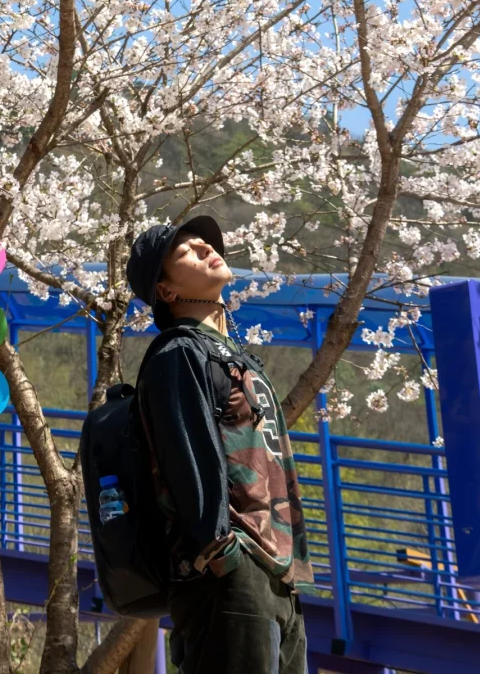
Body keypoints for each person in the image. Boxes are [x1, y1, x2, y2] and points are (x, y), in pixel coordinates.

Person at [125, 214, 312, 674]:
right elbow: (186, 459)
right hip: (230, 570)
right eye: (186, 251)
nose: (207, 248)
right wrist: (221, 552)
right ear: (166, 291)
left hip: (277, 574)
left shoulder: (236, 356)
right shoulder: (179, 353)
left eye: (205, 243)